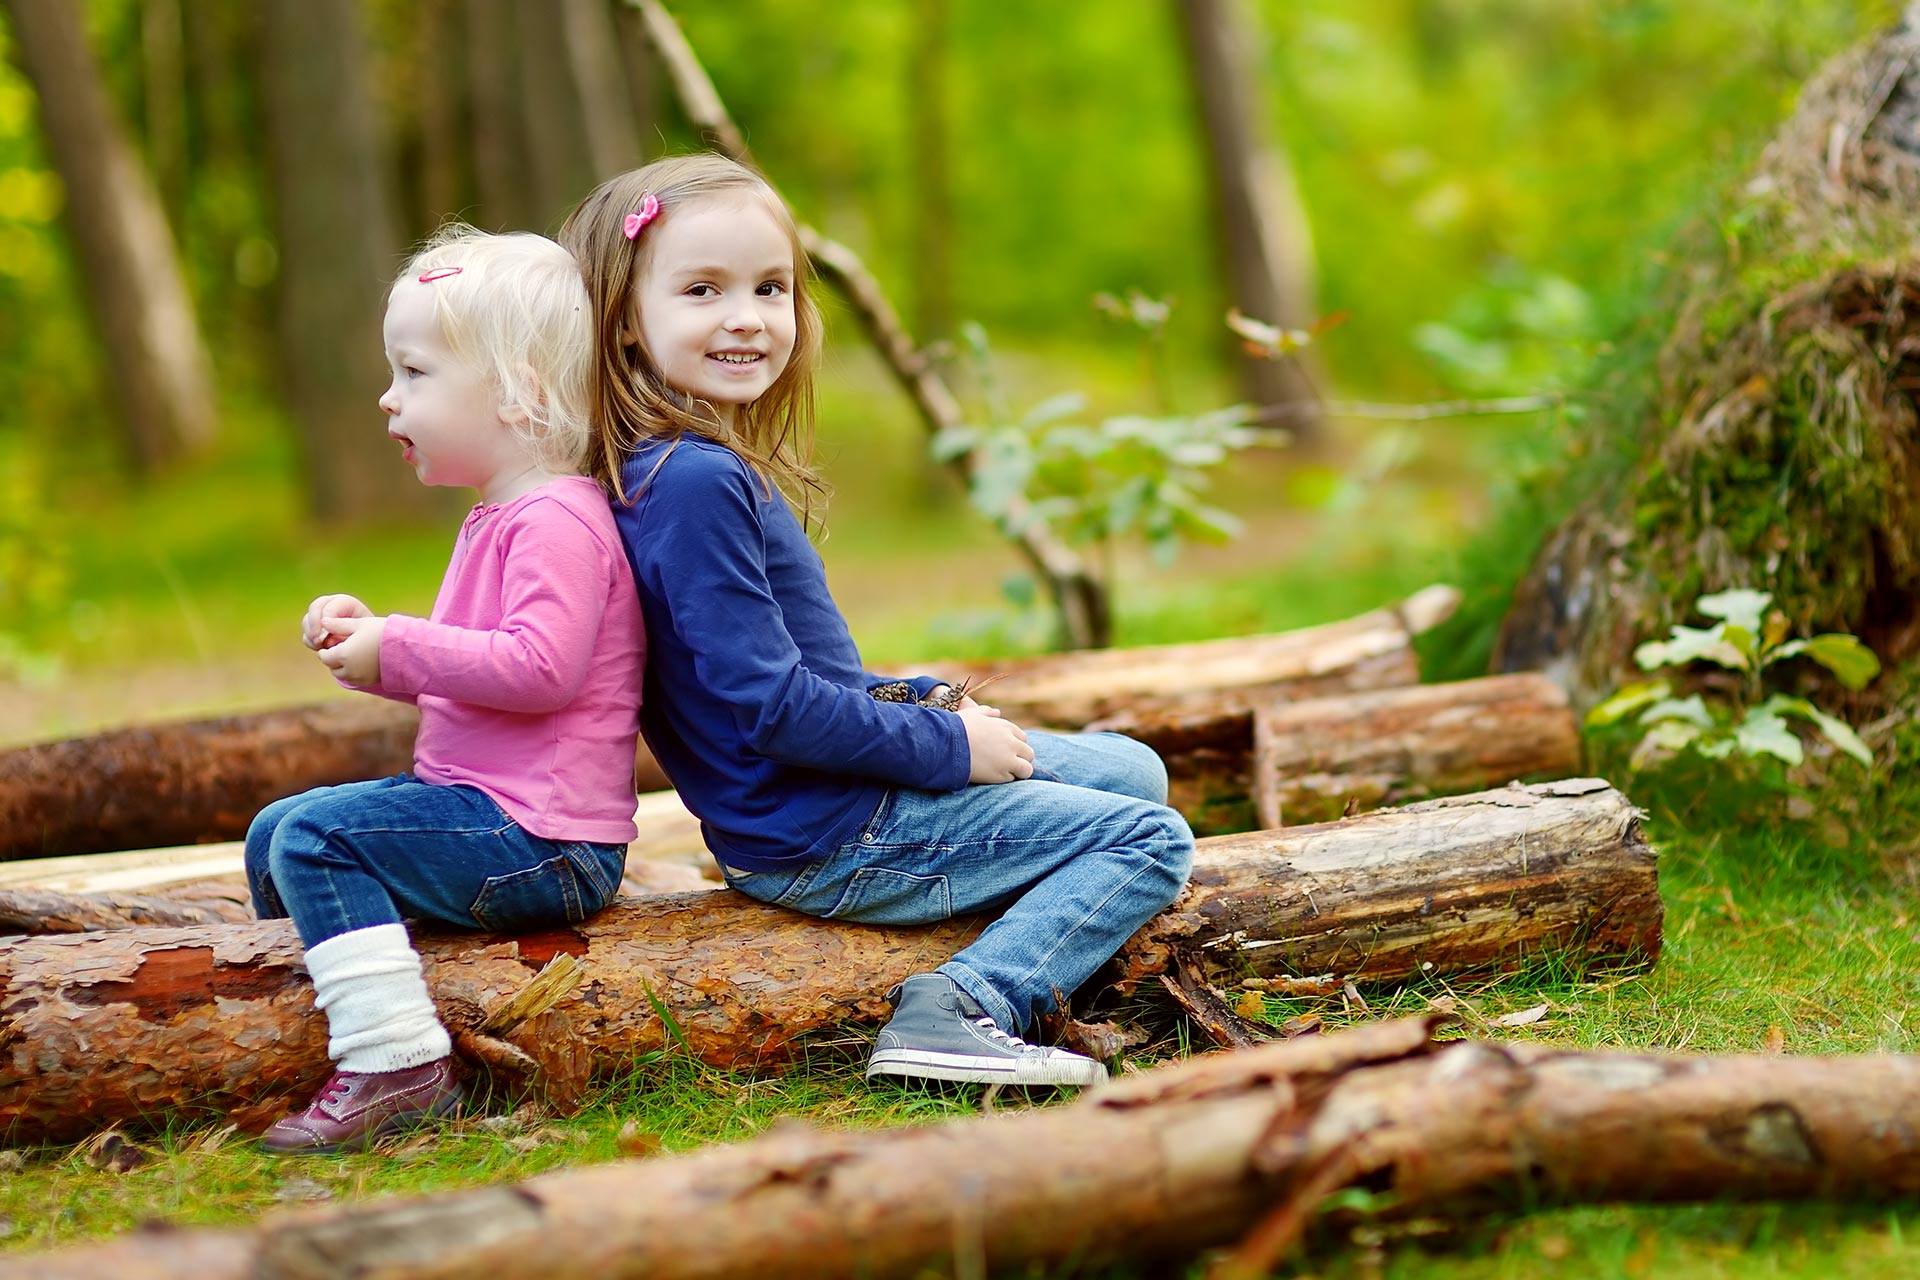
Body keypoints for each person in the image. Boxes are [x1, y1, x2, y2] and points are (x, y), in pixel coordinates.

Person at [558, 154, 1194, 1088]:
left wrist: (921, 703)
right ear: (620, 327)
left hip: (823, 795)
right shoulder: (694, 483)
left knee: (1132, 769)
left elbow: (780, 672)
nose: (747, 315)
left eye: (770, 287)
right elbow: (770, 710)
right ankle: (966, 1003)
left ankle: (1016, 872)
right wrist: (945, 752)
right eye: (702, 289)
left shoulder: (675, 467)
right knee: (1149, 839)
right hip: (829, 831)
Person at [243, 228, 645, 1153]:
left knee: (314, 836)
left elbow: (541, 670)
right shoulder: (499, 516)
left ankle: (397, 1063)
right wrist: (371, 646)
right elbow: (472, 673)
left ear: (520, 392)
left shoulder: (556, 520)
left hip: (544, 838)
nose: (390, 396)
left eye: (416, 373)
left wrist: (403, 647)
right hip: (481, 811)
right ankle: (311, 1019)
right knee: (277, 832)